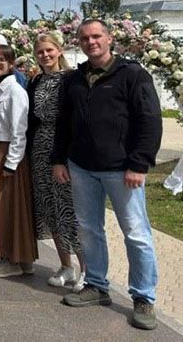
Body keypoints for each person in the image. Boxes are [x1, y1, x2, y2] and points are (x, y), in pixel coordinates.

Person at [53, 19, 162, 331]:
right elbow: (64, 122)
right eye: (85, 38)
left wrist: (139, 163)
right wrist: (59, 159)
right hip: (82, 167)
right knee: (89, 229)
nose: (91, 42)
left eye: (96, 36)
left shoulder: (132, 75)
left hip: (122, 169)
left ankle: (143, 297)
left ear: (109, 38)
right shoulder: (73, 79)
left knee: (137, 234)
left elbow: (150, 120)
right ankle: (97, 286)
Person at [27, 33, 84, 290]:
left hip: (65, 147)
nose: (45, 56)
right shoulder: (36, 80)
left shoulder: (71, 79)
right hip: (40, 146)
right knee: (49, 207)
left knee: (69, 209)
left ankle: (87, 268)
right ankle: (65, 265)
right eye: (40, 52)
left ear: (59, 51)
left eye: (49, 50)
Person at [0, 44, 37, 278]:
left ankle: (12, 258)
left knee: (9, 207)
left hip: (7, 153)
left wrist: (11, 162)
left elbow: (19, 130)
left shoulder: (15, 91)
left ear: (12, 64)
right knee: (0, 206)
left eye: (2, 60)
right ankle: (15, 256)